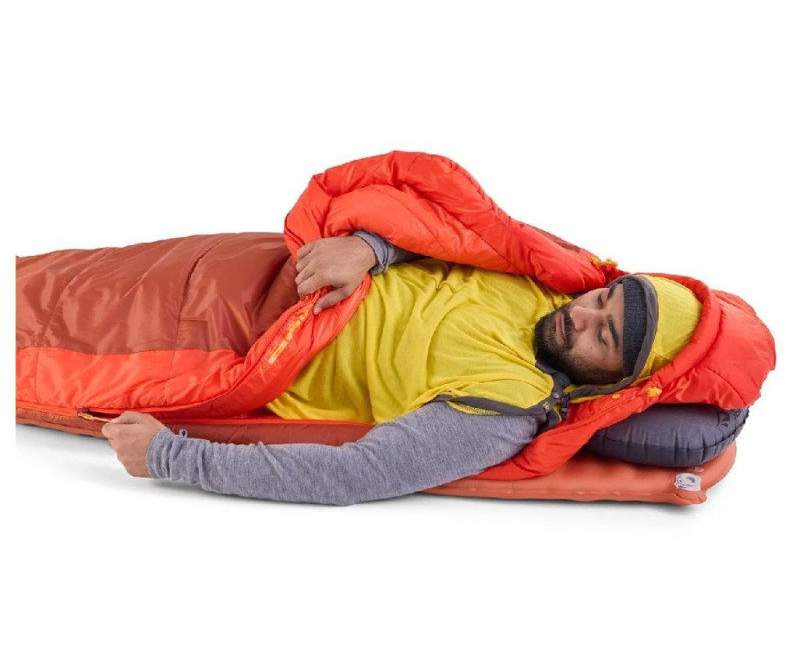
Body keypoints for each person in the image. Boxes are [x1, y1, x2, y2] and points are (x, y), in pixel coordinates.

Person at [102, 229, 702, 504]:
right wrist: (371, 249)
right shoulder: (543, 281)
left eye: (604, 335)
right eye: (601, 299)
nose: (582, 316)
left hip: (240, 340)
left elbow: (351, 475)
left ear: (618, 380)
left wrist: (171, 457)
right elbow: (448, 232)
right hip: (271, 265)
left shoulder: (508, 406)